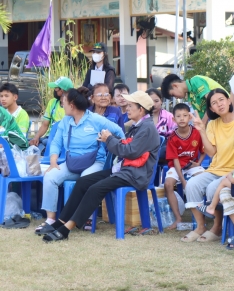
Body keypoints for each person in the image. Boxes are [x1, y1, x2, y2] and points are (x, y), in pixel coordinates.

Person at [37, 91, 161, 243]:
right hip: (125, 170)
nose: (127, 108)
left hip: (135, 174)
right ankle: (61, 221)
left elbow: (129, 152)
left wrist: (109, 139)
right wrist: (110, 139)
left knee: (95, 188)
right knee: (83, 182)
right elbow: (127, 147)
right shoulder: (140, 126)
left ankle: (66, 229)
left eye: (130, 106)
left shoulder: (147, 128)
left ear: (141, 109)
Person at [34, 88, 125, 234]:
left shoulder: (95, 119)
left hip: (95, 162)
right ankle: (51, 219)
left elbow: (119, 131)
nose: (62, 105)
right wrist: (53, 162)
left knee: (85, 179)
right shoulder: (65, 121)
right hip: (72, 162)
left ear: (72, 105)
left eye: (63, 102)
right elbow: (56, 143)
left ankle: (85, 217)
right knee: (50, 176)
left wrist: (120, 151)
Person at [180, 88, 234, 243]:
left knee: (212, 189)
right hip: (215, 169)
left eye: (221, 100)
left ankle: (217, 227)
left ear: (229, 101)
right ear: (211, 108)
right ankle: (200, 226)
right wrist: (202, 131)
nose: (219, 104)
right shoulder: (212, 124)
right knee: (191, 185)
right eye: (214, 103)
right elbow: (211, 153)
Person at [164, 103, 205, 229]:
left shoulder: (197, 133)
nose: (182, 118)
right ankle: (178, 218)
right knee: (168, 184)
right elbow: (175, 161)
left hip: (192, 165)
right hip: (177, 167)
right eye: (178, 116)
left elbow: (204, 150)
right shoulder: (172, 138)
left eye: (185, 115)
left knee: (204, 180)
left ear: (190, 117)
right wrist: (183, 181)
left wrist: (199, 163)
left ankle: (202, 217)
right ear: (173, 119)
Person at [29, 76, 73, 151]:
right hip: (49, 137)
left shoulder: (72, 106)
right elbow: (45, 125)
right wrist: (36, 137)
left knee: (44, 143)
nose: (54, 90)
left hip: (62, 140)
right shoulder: (52, 103)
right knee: (31, 143)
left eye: (56, 88)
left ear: (62, 91)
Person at [146, 88, 176, 162]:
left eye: (156, 101)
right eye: (150, 101)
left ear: (161, 101)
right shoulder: (142, 117)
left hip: (164, 149)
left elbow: (175, 135)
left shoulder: (169, 116)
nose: (153, 104)